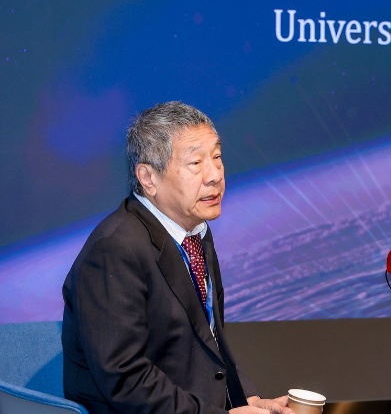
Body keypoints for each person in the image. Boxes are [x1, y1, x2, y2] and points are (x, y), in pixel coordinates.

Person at [62, 101, 295, 414]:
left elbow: (210, 343)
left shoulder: (195, 232)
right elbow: (125, 379)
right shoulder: (114, 250)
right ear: (148, 178)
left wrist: (249, 401)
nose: (214, 175)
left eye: (217, 157)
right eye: (195, 163)